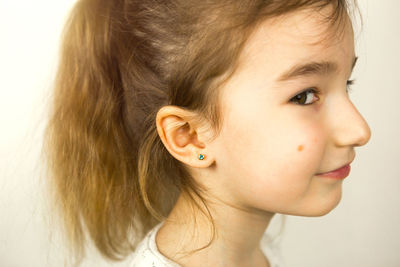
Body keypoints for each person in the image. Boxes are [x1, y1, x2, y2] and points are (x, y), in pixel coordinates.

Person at [43, 0, 371, 266]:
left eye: (347, 83)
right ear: (190, 136)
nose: (359, 130)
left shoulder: (254, 252)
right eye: (305, 95)